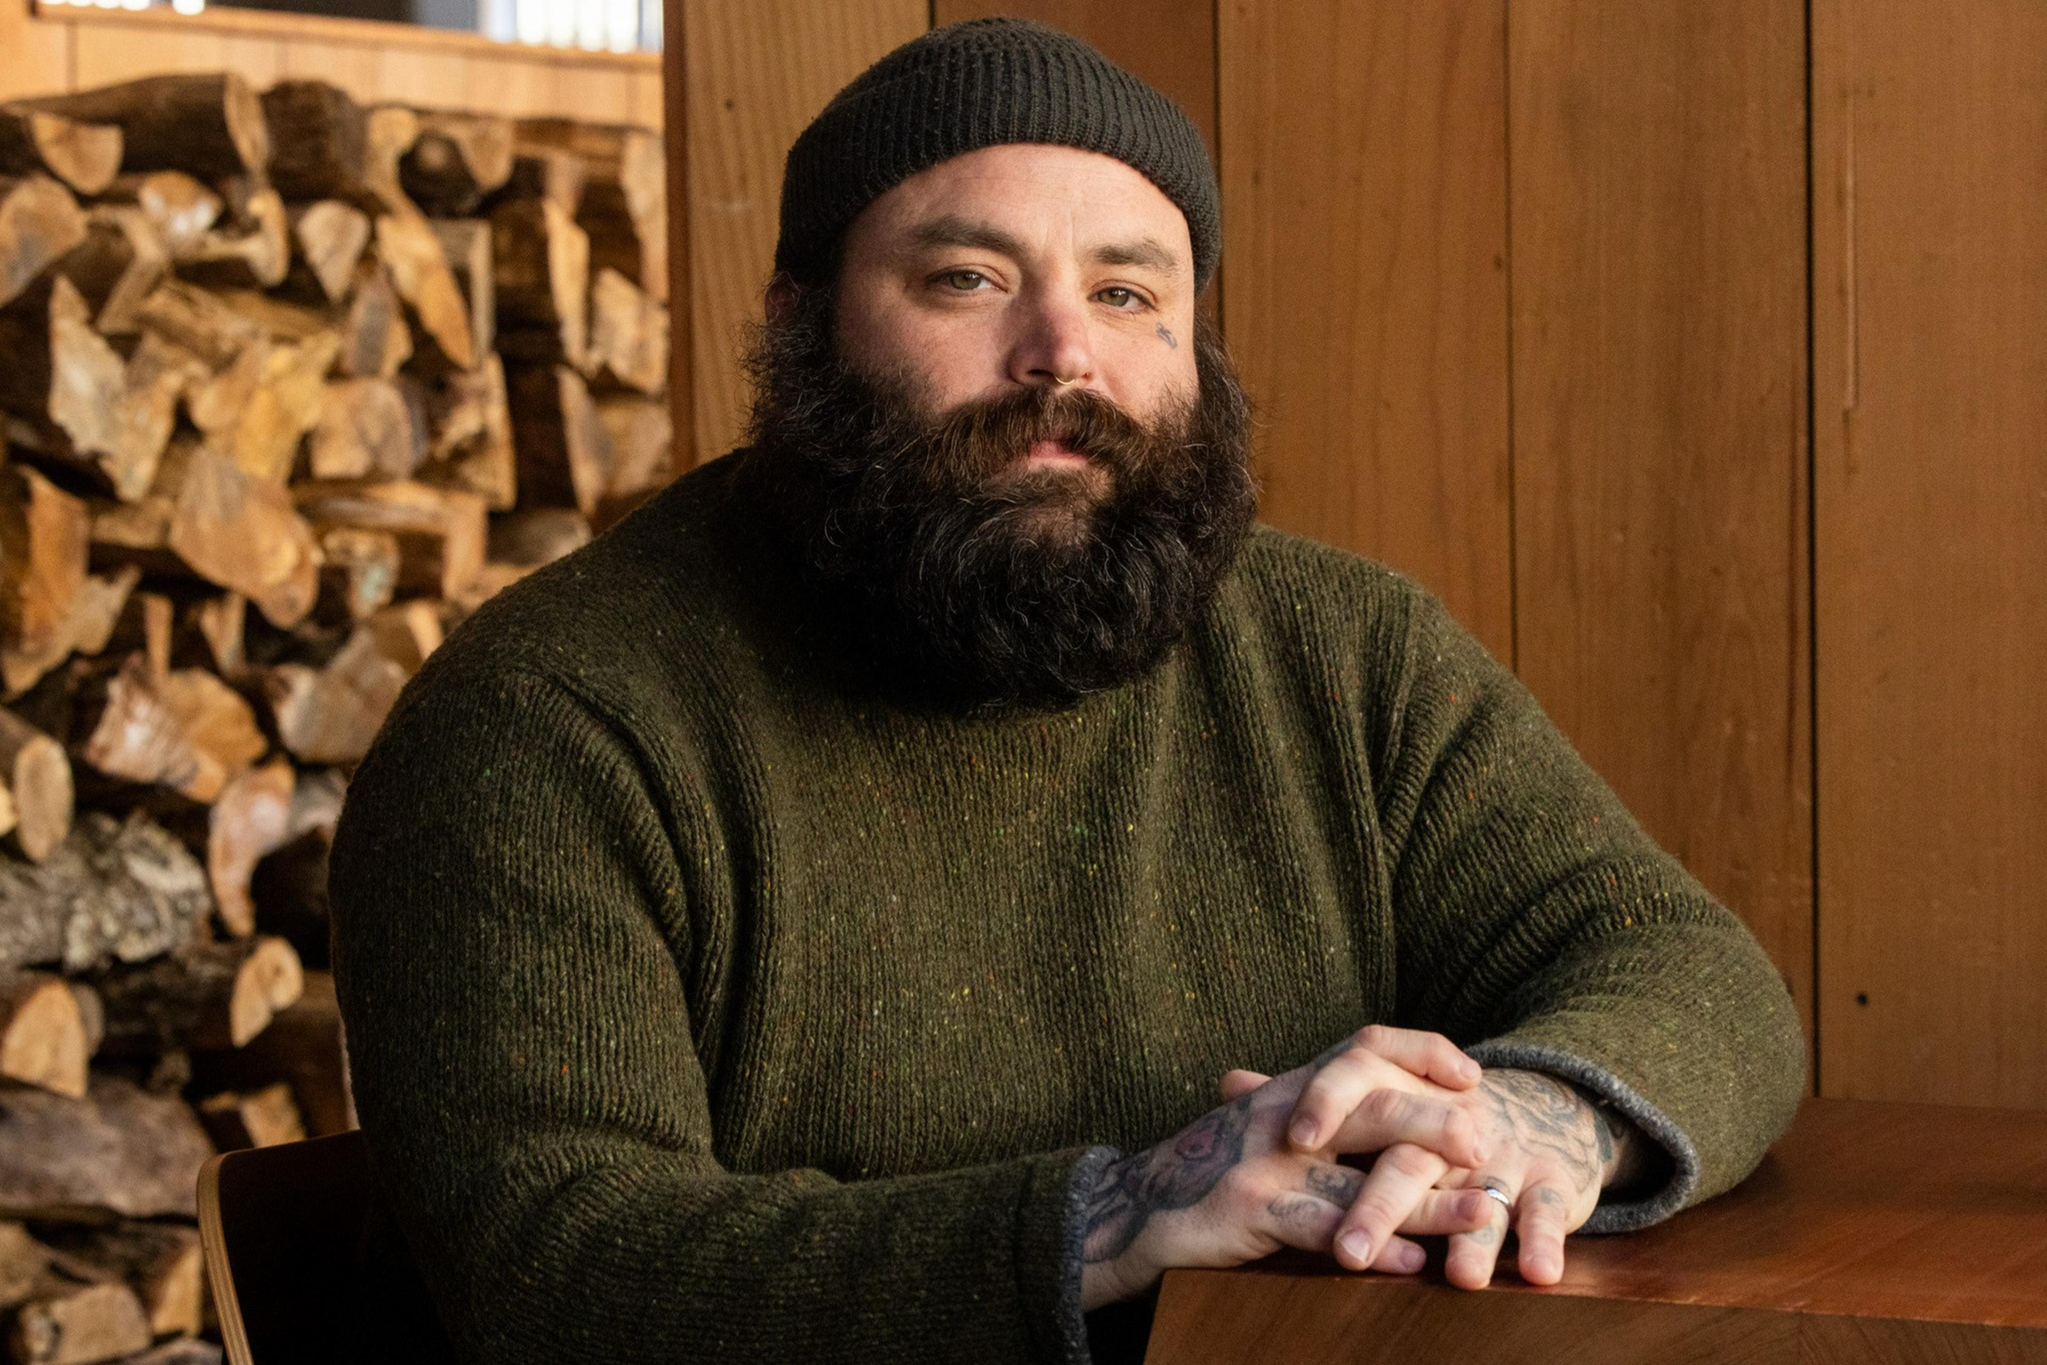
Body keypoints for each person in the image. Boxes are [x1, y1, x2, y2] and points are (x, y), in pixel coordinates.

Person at [329, 17, 1806, 1364]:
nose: (1062, 357)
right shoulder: (548, 721)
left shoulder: (1344, 651)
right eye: (966, 280)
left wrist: (1528, 1123)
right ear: (800, 322)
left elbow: (1690, 969)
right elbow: (553, 1268)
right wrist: (1117, 1214)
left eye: (1125, 289)